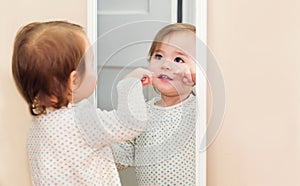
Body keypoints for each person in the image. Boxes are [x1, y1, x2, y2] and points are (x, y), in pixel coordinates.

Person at [11, 21, 152, 185]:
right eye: (92, 63)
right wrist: (129, 84)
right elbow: (131, 123)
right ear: (74, 80)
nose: (96, 68)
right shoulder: (82, 121)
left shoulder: (37, 128)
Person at [112, 23, 197, 185]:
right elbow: (120, 159)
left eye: (178, 59)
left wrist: (202, 79)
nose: (165, 65)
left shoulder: (199, 109)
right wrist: (126, 91)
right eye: (158, 56)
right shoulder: (141, 113)